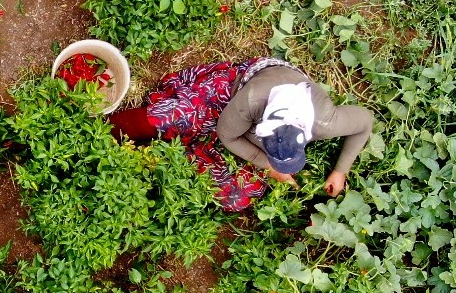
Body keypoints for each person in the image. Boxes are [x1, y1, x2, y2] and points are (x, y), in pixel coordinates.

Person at [108, 56, 373, 211]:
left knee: (236, 194)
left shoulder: (326, 121)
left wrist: (341, 170)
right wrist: (266, 165)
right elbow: (227, 135)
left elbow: (365, 123)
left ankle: (156, 161)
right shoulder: (252, 100)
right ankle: (107, 131)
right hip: (235, 93)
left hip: (249, 120)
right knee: (174, 117)